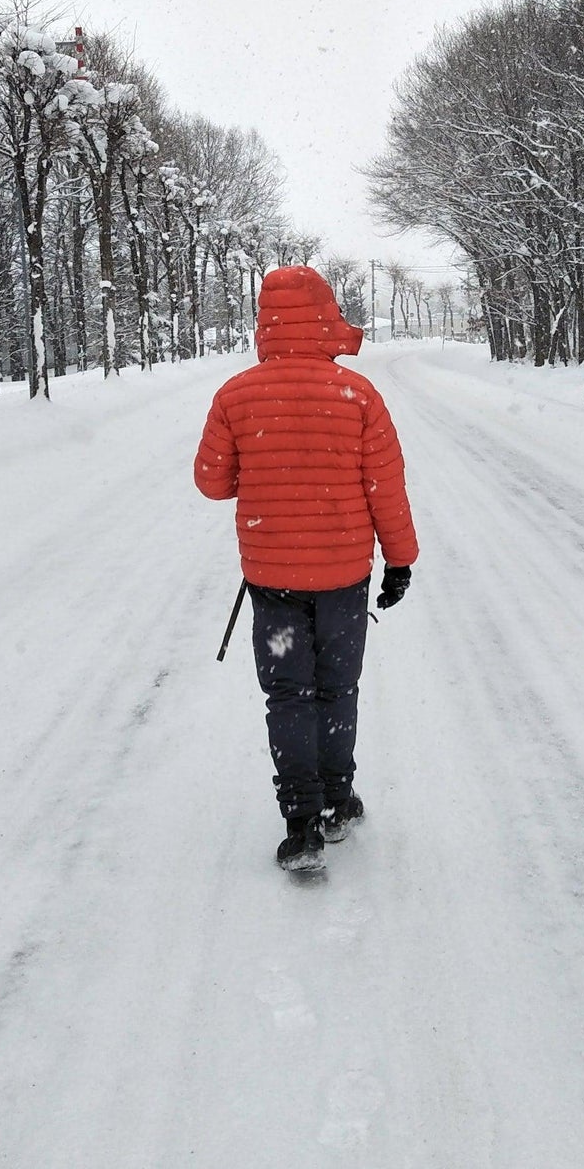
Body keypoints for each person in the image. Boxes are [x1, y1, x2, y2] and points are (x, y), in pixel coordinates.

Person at [194, 265, 418, 874]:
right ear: (325, 317)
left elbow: (211, 483)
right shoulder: (358, 395)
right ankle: (338, 801)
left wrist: (261, 472)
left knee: (289, 693)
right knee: (336, 686)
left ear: (267, 323)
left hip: (273, 581)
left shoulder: (236, 395)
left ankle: (301, 821)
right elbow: (386, 488)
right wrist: (399, 559)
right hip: (345, 576)